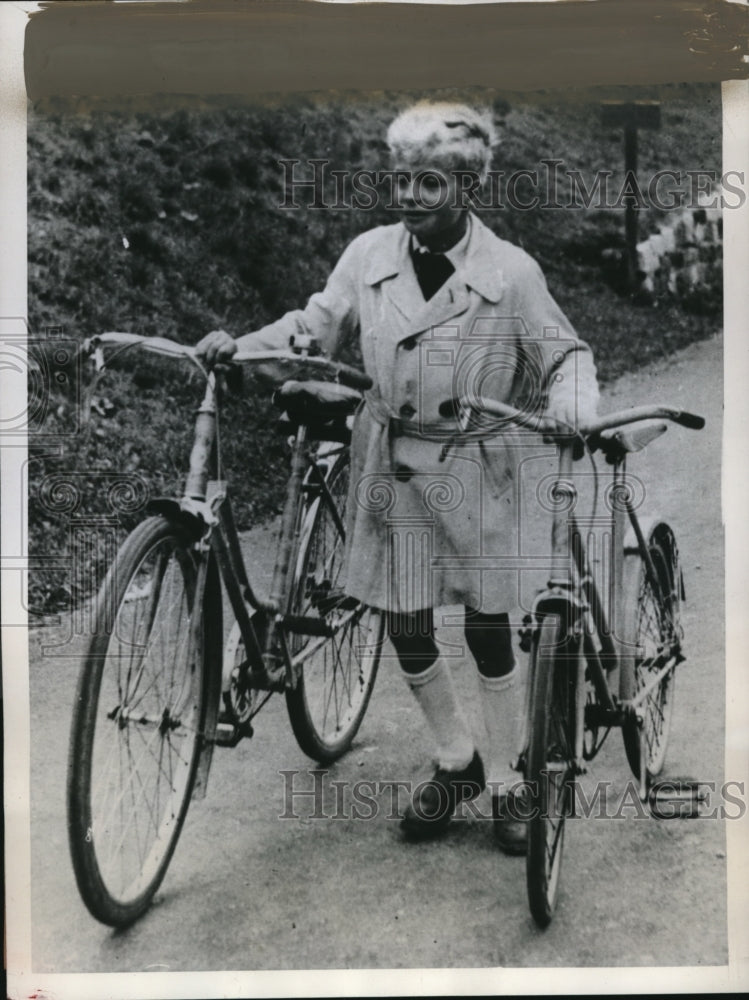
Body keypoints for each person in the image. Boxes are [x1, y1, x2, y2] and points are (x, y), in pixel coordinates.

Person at [196, 101, 599, 852]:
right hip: (392, 459)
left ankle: (509, 778)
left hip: (476, 462)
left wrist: (574, 402)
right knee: (404, 620)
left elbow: (565, 353)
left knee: (485, 625)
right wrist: (242, 349)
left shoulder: (511, 273)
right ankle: (456, 759)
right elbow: (312, 327)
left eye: (429, 183)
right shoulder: (369, 255)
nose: (410, 196)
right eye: (402, 180)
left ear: (466, 187)